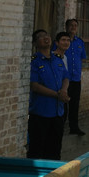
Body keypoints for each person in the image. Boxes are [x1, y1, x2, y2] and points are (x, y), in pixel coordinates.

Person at [28, 29, 69, 160]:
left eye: (47, 35)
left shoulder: (57, 59)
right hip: (41, 113)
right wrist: (57, 95)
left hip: (58, 113)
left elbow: (66, 77)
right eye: (41, 37)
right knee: (37, 150)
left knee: (55, 150)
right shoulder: (34, 62)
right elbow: (34, 86)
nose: (46, 38)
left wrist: (64, 90)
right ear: (35, 43)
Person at [62, 18, 87, 135]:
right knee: (63, 104)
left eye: (75, 26)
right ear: (66, 27)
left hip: (76, 78)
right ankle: (60, 127)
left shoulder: (80, 42)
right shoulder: (62, 41)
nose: (73, 27)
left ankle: (74, 127)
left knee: (74, 104)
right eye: (71, 25)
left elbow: (82, 57)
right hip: (63, 79)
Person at [54, 31, 71, 126]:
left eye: (68, 40)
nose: (66, 42)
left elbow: (65, 76)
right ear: (56, 42)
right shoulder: (52, 57)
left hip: (63, 91)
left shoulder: (65, 58)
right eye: (63, 40)